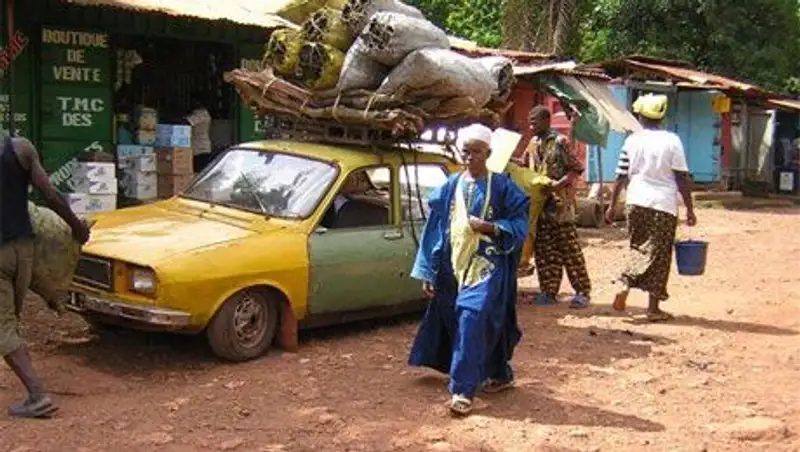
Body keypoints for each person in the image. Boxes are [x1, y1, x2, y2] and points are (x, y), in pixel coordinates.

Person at [407, 123, 529, 416]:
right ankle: (498, 372)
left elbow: (520, 223)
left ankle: (462, 389)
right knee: (473, 321)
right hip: (453, 265)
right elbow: (435, 230)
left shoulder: (503, 187)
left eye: (477, 151)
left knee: (472, 319)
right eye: (466, 151)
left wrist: (490, 227)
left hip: (488, 265)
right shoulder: (450, 186)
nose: (470, 156)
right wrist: (428, 270)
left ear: (488, 153)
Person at [1, 135, 91, 418]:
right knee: (7, 322)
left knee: (3, 328)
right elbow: (50, 194)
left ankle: (37, 395)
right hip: (23, 252)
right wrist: (77, 228)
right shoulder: (20, 148)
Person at [604, 93, 697, 322]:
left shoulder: (631, 141)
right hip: (663, 205)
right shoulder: (672, 141)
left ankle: (624, 283)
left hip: (635, 202)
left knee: (637, 247)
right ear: (661, 116)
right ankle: (652, 308)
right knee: (659, 255)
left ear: (640, 116)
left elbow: (620, 176)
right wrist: (690, 208)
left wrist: (612, 205)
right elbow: (681, 178)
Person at [520, 106, 591, 308]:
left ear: (546, 121)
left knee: (570, 250)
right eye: (530, 122)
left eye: (535, 122)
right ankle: (549, 291)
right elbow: (524, 166)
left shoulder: (560, 142)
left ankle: (582, 291)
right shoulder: (533, 143)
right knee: (544, 251)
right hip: (540, 206)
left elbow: (575, 169)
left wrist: (559, 184)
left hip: (560, 206)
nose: (531, 126)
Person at [186, 93, 213, 173]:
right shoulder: (197, 113)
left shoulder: (202, 113)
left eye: (194, 101)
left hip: (200, 150)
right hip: (196, 149)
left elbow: (188, 122)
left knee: (198, 173)